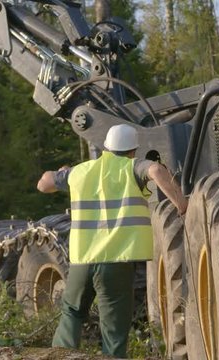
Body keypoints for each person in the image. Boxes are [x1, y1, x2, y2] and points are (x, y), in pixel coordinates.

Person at [37, 124, 187, 358]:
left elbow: (44, 183)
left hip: (82, 260)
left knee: (72, 312)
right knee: (114, 330)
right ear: (133, 150)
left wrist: (63, 173)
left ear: (106, 147)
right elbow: (156, 171)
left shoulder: (80, 171)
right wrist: (182, 204)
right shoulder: (133, 167)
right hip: (116, 261)